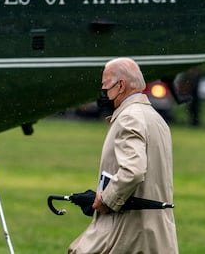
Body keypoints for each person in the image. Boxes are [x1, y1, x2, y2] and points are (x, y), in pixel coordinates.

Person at [68, 57, 179, 254]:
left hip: (131, 229)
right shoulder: (155, 118)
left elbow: (133, 171)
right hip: (155, 230)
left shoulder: (129, 118)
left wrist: (106, 200)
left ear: (120, 85)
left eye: (105, 86)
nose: (102, 92)